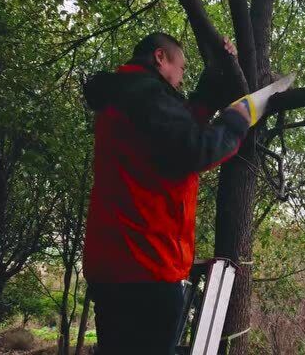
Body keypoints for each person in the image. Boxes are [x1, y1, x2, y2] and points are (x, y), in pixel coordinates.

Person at [81, 32, 251, 355]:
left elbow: (176, 126)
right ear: (160, 57)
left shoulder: (124, 96)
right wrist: (236, 122)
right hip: (147, 268)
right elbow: (194, 147)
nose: (182, 76)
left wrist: (215, 75)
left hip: (112, 268)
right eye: (181, 67)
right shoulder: (145, 97)